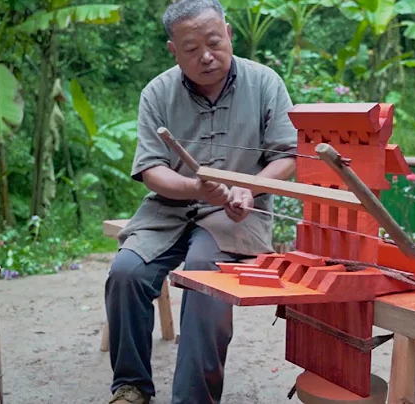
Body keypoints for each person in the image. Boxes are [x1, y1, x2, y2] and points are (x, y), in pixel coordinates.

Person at [104, 1, 298, 403]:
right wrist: (196, 187)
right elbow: (151, 169)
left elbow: (288, 156)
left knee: (204, 270)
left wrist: (248, 187)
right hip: (168, 209)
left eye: (213, 42)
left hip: (236, 213)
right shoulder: (157, 91)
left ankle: (194, 398)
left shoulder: (265, 83)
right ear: (174, 51)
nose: (206, 56)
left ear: (228, 33)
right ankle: (131, 386)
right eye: (192, 49)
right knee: (125, 273)